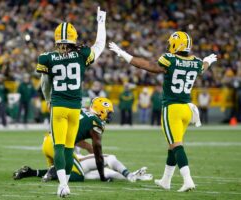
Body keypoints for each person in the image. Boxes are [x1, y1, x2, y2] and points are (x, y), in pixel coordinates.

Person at [109, 31, 217, 192]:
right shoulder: (196, 62)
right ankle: (166, 180)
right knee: (172, 146)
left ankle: (188, 180)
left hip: (172, 108)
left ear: (176, 44)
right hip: (188, 109)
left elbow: (147, 66)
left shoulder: (170, 59)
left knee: (176, 145)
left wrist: (124, 54)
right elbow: (203, 67)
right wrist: (208, 60)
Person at [36, 7, 107, 197]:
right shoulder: (82, 54)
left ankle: (62, 185)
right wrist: (101, 22)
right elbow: (100, 45)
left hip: (58, 105)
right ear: (74, 37)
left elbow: (45, 84)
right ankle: (66, 184)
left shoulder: (47, 57)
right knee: (69, 147)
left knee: (58, 145)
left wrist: (48, 99)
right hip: (75, 108)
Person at [13, 97, 152, 182]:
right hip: (59, 145)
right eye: (108, 112)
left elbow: (74, 134)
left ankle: (32, 172)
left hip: (49, 141)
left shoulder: (80, 111)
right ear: (100, 110)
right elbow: (98, 151)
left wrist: (86, 147)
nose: (108, 116)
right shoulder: (96, 121)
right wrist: (102, 175)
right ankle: (128, 175)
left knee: (81, 172)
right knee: (79, 175)